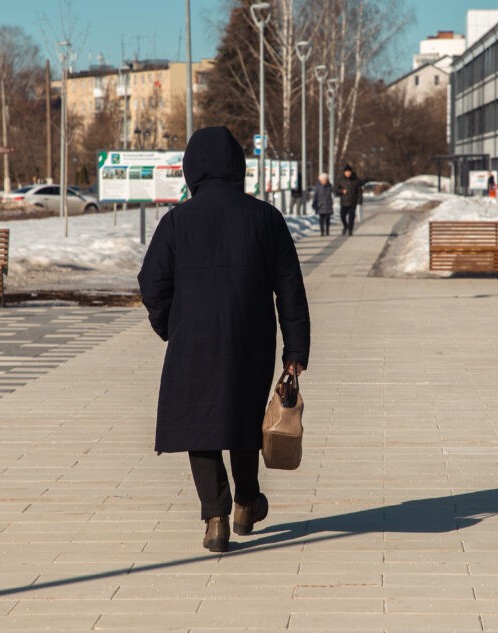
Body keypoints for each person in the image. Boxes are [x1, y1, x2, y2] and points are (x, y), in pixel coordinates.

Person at [137, 126, 311, 553]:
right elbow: (290, 288)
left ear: (191, 169)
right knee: (244, 420)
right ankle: (246, 502)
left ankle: (215, 517)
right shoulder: (265, 218)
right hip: (250, 338)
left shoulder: (177, 221)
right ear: (238, 166)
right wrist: (295, 353)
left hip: (192, 341)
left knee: (201, 424)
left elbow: (151, 284)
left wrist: (170, 326)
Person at [337, 164, 363, 236]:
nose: (348, 173)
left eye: (349, 172)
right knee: (342, 216)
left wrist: (360, 201)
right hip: (344, 202)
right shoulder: (341, 180)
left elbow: (360, 192)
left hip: (353, 201)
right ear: (344, 172)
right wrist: (342, 191)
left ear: (351, 172)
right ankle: (345, 226)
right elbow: (336, 189)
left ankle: (350, 230)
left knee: (351, 217)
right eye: (346, 172)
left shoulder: (356, 180)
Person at [312, 172, 334, 237]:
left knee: (327, 219)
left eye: (325, 179)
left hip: (328, 204)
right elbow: (315, 196)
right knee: (321, 219)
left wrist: (332, 202)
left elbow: (332, 195)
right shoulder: (318, 187)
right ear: (320, 180)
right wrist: (314, 203)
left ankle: (327, 230)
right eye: (322, 180)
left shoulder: (330, 186)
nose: (324, 181)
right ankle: (322, 231)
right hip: (320, 205)